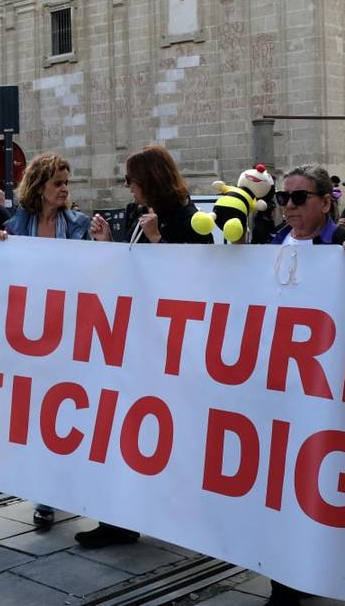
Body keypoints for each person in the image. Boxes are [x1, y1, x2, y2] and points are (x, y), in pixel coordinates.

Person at [74, 144, 208, 551]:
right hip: (134, 343)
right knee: (121, 432)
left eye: (131, 180)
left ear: (149, 180)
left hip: (170, 352)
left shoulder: (189, 220)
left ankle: (179, 514)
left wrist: (156, 240)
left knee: (168, 439)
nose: (128, 188)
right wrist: (110, 242)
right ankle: (118, 519)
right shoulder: (137, 214)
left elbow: (191, 283)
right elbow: (132, 270)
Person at [265, 165, 345, 606]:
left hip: (326, 391)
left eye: (298, 198)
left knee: (319, 481)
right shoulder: (269, 245)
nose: (288, 207)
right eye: (282, 198)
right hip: (278, 387)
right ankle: (284, 579)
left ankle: (324, 568)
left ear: (326, 201)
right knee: (279, 483)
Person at [0, 153, 111, 529]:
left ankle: (73, 484)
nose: (64, 189)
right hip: (30, 338)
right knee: (37, 418)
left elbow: (101, 275)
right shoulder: (16, 225)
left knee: (69, 413)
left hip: (71, 336)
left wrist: (102, 244)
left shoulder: (79, 225)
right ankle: (45, 496)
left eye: (67, 183)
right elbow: (2, 273)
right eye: (58, 182)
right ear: (40, 186)